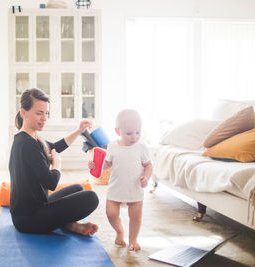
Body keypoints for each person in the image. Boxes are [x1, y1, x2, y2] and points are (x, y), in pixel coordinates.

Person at [9, 88, 99, 235]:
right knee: (91, 198)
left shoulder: (32, 138)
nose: (44, 118)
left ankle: (70, 225)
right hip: (28, 219)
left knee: (78, 188)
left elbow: (56, 147)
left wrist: (79, 131)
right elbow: (51, 182)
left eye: (46, 113)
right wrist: (57, 164)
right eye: (39, 113)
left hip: (36, 205)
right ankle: (70, 225)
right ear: (23, 113)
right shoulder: (27, 144)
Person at [88, 109, 152, 251]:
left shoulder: (141, 147)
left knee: (135, 216)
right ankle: (119, 231)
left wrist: (146, 177)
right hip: (116, 187)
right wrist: (96, 165)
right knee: (111, 214)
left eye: (138, 132)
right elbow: (106, 165)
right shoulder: (112, 146)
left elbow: (148, 165)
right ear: (118, 131)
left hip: (135, 188)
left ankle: (133, 240)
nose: (134, 137)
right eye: (129, 133)